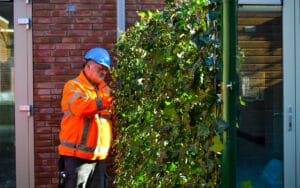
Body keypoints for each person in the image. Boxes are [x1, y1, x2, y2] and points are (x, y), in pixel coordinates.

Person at [57, 47, 114, 188]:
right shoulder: (73, 87)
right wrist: (106, 101)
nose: (104, 72)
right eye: (100, 68)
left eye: (106, 69)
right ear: (88, 66)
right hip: (77, 159)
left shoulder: (106, 90)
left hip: (99, 159)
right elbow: (81, 108)